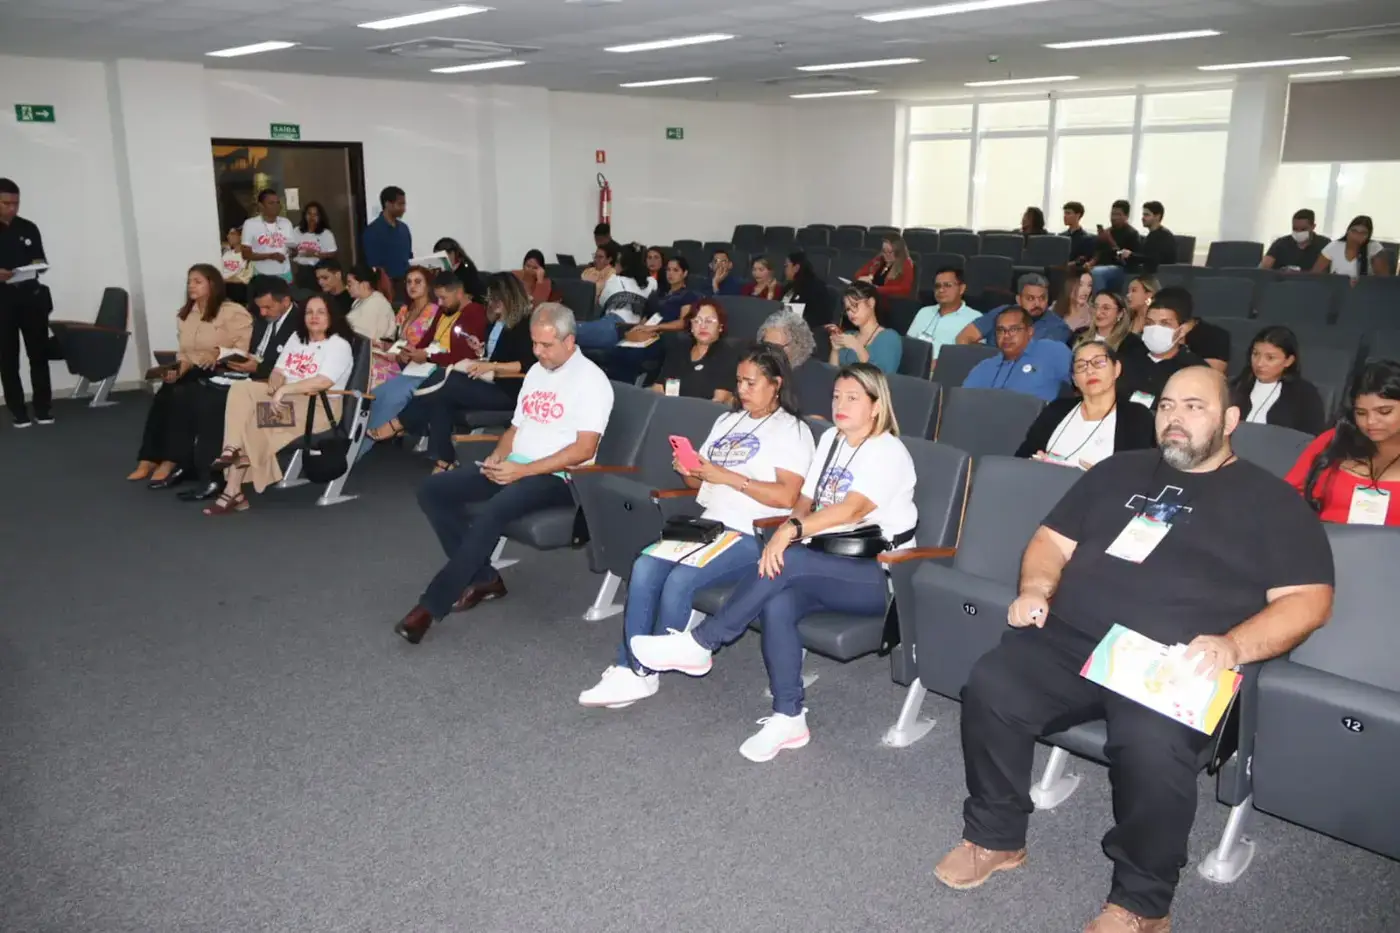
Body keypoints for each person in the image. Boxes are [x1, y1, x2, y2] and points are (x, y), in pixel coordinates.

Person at [937, 365, 1334, 933]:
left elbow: (1309, 601)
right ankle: (996, 837)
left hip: (1172, 662)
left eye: (1194, 407)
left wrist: (1235, 644)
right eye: (1167, 405)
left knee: (1152, 748)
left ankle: (1142, 904)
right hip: (1074, 637)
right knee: (993, 685)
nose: (1175, 417)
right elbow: (1050, 540)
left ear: (1230, 420)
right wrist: (1035, 589)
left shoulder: (1271, 502)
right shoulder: (1117, 471)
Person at [630, 364, 918, 761]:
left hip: (880, 575)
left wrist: (789, 533)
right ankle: (789, 716)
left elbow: (852, 509)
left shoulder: (888, 452)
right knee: (778, 600)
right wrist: (789, 525)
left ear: (876, 406)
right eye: (837, 396)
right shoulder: (832, 439)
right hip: (827, 563)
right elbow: (805, 500)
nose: (841, 404)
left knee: (790, 560)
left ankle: (704, 641)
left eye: (853, 398)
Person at [581, 343, 816, 709]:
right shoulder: (728, 421)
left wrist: (726, 476)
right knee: (645, 565)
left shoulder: (792, 431)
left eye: (751, 382)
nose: (742, 390)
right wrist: (690, 469)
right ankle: (630, 667)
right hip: (709, 525)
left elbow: (787, 495)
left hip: (752, 532)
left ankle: (643, 670)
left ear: (776, 384)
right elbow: (701, 483)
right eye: (739, 381)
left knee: (680, 580)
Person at [394, 303, 615, 645]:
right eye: (534, 343)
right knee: (432, 491)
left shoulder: (592, 381)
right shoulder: (537, 372)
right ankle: (484, 577)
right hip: (517, 465)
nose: (537, 352)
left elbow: (584, 450)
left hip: (560, 478)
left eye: (546, 345)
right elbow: (515, 429)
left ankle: (430, 605)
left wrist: (522, 470)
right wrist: (497, 457)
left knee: (495, 509)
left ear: (570, 341)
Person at [203, 294, 356, 515]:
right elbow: (278, 370)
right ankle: (232, 449)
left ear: (332, 316)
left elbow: (323, 382)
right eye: (309, 312)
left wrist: (284, 390)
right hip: (288, 400)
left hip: (316, 408)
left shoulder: (338, 345)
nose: (314, 317)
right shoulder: (297, 338)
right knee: (240, 389)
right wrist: (276, 386)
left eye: (321, 312)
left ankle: (233, 490)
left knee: (254, 420)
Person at [399, 272, 537, 474]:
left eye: (496, 298)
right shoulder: (496, 322)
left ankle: (403, 422)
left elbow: (525, 364)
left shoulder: (524, 324)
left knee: (448, 381)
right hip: (492, 382)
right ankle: (443, 459)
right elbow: (495, 355)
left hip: (510, 389)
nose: (492, 303)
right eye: (491, 298)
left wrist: (492, 366)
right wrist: (481, 352)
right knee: (443, 396)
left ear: (509, 297)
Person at [129, 264, 253, 486]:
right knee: (165, 393)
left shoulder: (232, 312)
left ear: (212, 284)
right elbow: (185, 353)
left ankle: (172, 459)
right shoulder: (186, 314)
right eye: (189, 282)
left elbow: (243, 351)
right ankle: (149, 457)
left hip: (222, 369)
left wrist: (216, 353)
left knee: (180, 394)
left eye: (197, 282)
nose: (191, 286)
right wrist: (178, 368)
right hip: (194, 368)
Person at [365, 271, 487, 443]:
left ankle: (375, 438)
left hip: (446, 370)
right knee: (380, 393)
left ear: (459, 293)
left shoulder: (474, 312)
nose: (440, 303)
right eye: (438, 298)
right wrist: (411, 352)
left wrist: (428, 357)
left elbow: (463, 355)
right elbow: (427, 340)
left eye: (443, 298)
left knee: (395, 396)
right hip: (426, 365)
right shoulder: (444, 310)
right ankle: (364, 436)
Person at [1286, 359, 1400, 525]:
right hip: (1324, 538)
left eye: (1384, 412)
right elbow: (1289, 496)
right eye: (1361, 413)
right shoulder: (1334, 440)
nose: (1370, 422)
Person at [1015, 342, 1154, 469]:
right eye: (1081, 366)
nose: (1090, 371)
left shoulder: (1137, 417)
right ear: (1074, 379)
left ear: (1116, 369)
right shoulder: (1056, 409)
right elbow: (1021, 459)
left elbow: (1137, 474)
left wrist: (1100, 475)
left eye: (1098, 362)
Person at [0, 177, 53, 427]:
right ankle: (18, 411)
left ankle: (43, 408)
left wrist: (35, 266)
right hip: (2, 302)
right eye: (6, 203)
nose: (12, 208)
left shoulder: (28, 227)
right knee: (8, 359)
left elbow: (39, 259)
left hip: (31, 298)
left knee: (39, 355)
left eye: (16, 203)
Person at [1117, 286, 1206, 408]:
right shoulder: (1126, 359)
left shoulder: (1194, 369)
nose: (1155, 329)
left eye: (1165, 323)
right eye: (1149, 323)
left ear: (1181, 330)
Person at [962, 306, 1072, 403]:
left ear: (1030, 331)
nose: (1006, 336)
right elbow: (963, 403)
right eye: (1001, 330)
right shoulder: (984, 367)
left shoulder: (1051, 351)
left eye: (1014, 329)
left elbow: (1078, 381)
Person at [1231, 325, 1326, 435]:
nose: (1259, 363)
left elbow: (1311, 437)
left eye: (1270, 358)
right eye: (1255, 354)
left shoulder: (1305, 394)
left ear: (1288, 361)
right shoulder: (1235, 385)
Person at [652, 298, 737, 403]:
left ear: (720, 327)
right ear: (691, 327)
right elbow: (658, 388)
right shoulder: (679, 350)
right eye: (697, 321)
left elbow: (719, 400)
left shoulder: (727, 355)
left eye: (709, 321)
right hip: (671, 407)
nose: (703, 326)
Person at [957, 272, 1071, 346]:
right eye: (1030, 298)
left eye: (1042, 298)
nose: (1037, 303)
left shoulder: (1058, 327)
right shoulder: (1000, 312)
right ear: (1018, 299)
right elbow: (964, 338)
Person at [370, 266, 437, 389]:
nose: (412, 286)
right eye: (409, 282)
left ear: (428, 286)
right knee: (367, 360)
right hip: (397, 358)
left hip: (416, 364)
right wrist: (380, 345)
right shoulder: (404, 310)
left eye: (417, 282)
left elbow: (434, 345)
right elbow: (395, 340)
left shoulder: (434, 311)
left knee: (373, 371)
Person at [906, 266, 980, 368]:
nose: (941, 290)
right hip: (915, 367)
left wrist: (940, 364)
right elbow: (909, 344)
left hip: (948, 370)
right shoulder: (924, 312)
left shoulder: (975, 318)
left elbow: (974, 357)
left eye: (947, 285)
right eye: (937, 286)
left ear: (962, 289)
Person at [828, 281, 902, 374]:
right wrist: (835, 351)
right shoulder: (848, 335)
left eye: (855, 305)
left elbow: (880, 377)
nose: (850, 312)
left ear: (871, 303)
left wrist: (857, 347)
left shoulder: (889, 338)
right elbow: (832, 374)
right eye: (848, 309)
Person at [783, 251, 834, 358]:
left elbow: (820, 316)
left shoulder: (815, 287)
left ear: (796, 267)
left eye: (786, 266)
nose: (785, 270)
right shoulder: (788, 287)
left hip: (805, 332)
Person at [240, 189, 298, 282]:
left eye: (278, 203)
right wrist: (271, 256)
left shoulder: (286, 223)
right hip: (262, 274)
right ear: (261, 206)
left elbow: (293, 250)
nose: (276, 206)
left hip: (284, 273)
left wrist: (292, 251)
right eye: (271, 203)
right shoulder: (250, 224)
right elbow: (246, 254)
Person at [1087, 200, 1141, 294]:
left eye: (1118, 215)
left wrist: (1110, 240)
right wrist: (1090, 263)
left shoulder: (1132, 234)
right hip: (1103, 265)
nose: (1114, 218)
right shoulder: (1107, 231)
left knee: (1097, 272)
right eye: (1112, 214)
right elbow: (1098, 252)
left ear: (1126, 216)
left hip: (1122, 269)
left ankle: (1099, 299)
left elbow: (1128, 260)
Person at [1312, 214, 1387, 280]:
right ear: (1348, 231)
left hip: (1364, 288)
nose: (1357, 236)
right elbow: (1315, 274)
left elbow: (1383, 280)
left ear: (1368, 235)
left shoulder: (1374, 247)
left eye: (1363, 233)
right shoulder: (1334, 246)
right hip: (1337, 287)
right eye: (1354, 231)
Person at [363, 186, 411, 286]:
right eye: (400, 204)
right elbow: (373, 264)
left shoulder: (404, 229)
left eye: (404, 204)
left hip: (406, 283)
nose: (404, 209)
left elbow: (409, 256)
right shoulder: (372, 231)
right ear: (388, 204)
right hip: (386, 286)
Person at [1074, 290, 1144, 356]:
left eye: (1106, 308)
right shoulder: (1079, 334)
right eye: (1095, 307)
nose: (1098, 312)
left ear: (1120, 313)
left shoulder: (1131, 343)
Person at [1261, 209, 1329, 272]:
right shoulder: (1280, 243)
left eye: (1303, 229)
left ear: (1313, 227)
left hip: (1311, 280)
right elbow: (1263, 269)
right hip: (1283, 280)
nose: (1298, 232)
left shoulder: (1324, 244)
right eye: (1295, 229)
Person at [345, 263, 397, 345]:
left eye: (349, 284)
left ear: (364, 284)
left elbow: (363, 335)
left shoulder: (376, 303)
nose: (347, 287)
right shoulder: (359, 301)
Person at [290, 201, 336, 289]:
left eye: (315, 215)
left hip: (317, 269)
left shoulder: (326, 233)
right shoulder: (296, 231)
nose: (312, 217)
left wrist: (315, 254)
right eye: (309, 214)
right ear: (305, 215)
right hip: (297, 269)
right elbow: (289, 252)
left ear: (320, 217)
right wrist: (293, 252)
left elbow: (332, 254)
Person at [1121, 201, 1176, 274]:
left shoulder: (1164, 236)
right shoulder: (1152, 235)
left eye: (1146, 215)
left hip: (1159, 275)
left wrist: (1131, 255)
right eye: (1143, 214)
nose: (1143, 218)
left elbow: (1153, 259)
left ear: (1157, 216)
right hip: (1148, 273)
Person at [853, 234, 916, 299]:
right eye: (884, 251)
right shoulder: (879, 259)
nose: (886, 254)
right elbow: (859, 273)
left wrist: (877, 289)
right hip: (870, 296)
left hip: (890, 299)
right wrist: (864, 278)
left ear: (898, 252)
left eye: (890, 252)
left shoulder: (906, 263)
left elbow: (904, 289)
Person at [435, 237, 483, 301]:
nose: (441, 260)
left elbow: (470, 293)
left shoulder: (466, 267)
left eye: (443, 257)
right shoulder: (440, 270)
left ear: (454, 253)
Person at [220, 227, 253, 303]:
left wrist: (223, 280)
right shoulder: (227, 254)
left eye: (232, 234)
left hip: (236, 288)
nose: (228, 236)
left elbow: (244, 278)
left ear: (241, 237)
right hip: (222, 285)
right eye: (228, 234)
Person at [1061, 200, 1097, 267]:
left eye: (1068, 213)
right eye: (1064, 213)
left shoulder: (1087, 239)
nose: (1065, 216)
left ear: (1078, 215)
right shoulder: (1061, 236)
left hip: (1073, 269)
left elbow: (1083, 260)